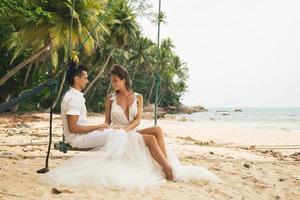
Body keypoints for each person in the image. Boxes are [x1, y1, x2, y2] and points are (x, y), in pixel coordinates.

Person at [45, 64, 220, 189]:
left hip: (129, 131)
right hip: (118, 134)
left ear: (123, 80)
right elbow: (106, 122)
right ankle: (167, 169)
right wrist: (104, 127)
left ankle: (162, 166)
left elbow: (137, 121)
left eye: (115, 81)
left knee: (157, 130)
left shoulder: (138, 97)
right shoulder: (110, 98)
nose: (113, 84)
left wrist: (125, 130)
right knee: (150, 138)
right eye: (112, 81)